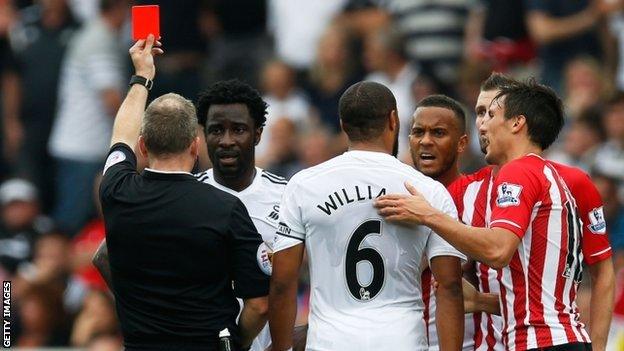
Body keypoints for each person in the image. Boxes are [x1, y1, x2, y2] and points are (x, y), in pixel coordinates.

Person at [375, 79, 592, 350]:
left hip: (541, 341)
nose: (483, 126)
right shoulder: (551, 176)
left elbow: (498, 250)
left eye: (490, 115)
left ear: (517, 123)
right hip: (564, 335)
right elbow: (541, 293)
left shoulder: (518, 171)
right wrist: (480, 300)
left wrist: (428, 215)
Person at [99, 35, 268, 350]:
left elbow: (120, 134)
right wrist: (237, 344)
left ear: (144, 146)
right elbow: (259, 304)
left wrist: (142, 78)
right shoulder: (225, 207)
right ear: (195, 145)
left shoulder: (116, 190)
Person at [269, 81, 466, 351]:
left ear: (342, 125)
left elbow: (282, 281)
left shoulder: (304, 185)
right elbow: (450, 286)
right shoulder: (428, 191)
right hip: (402, 341)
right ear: (394, 120)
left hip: (330, 342)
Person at [407, 94, 476, 351]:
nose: (426, 141)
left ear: (461, 144)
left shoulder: (481, 196)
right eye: (418, 132)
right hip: (408, 341)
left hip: (473, 343)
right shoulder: (397, 196)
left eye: (438, 133)